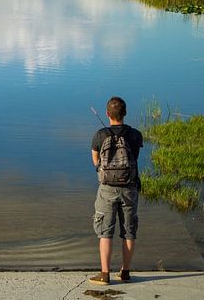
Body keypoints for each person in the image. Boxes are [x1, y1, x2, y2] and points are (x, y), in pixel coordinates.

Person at [89, 96, 143, 286]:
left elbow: (96, 162)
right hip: (129, 188)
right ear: (125, 113)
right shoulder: (135, 135)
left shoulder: (100, 135)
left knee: (105, 232)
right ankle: (125, 272)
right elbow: (134, 157)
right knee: (129, 231)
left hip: (107, 189)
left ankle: (104, 275)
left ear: (107, 114)